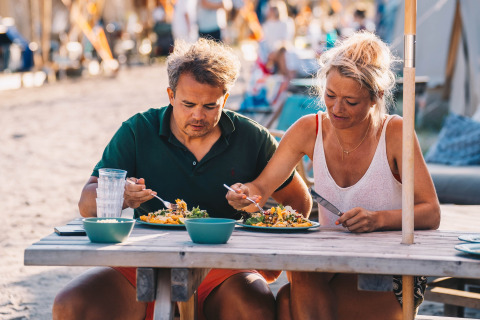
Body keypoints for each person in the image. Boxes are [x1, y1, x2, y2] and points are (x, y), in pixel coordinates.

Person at [52, 38, 311, 320]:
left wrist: (259, 223)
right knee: (71, 305)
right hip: (142, 261)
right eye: (188, 104)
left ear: (225, 98)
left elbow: (298, 202)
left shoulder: (251, 137)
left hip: (224, 267)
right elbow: (86, 205)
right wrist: (121, 195)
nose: (198, 115)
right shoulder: (139, 130)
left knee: (255, 308)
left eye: (210, 106)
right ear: (171, 95)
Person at [226, 31, 441, 320]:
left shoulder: (395, 132)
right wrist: (244, 193)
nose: (337, 109)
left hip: (390, 270)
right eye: (330, 95)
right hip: (329, 265)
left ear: (376, 97)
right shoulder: (308, 129)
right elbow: (262, 187)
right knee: (296, 283)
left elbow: (430, 212)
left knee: (289, 302)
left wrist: (378, 219)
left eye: (351, 102)